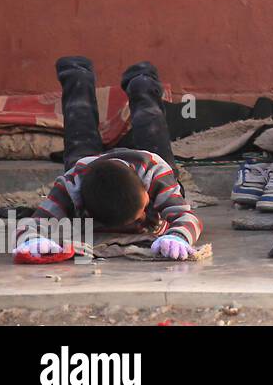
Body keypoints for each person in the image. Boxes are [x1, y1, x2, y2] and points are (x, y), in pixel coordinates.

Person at [13, 57, 201, 260]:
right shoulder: (71, 186)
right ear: (86, 208)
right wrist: (32, 241)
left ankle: (142, 82)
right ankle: (76, 76)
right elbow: (30, 225)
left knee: (151, 128)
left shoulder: (155, 173)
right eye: (136, 219)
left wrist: (178, 236)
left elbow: (186, 217)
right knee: (79, 136)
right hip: (87, 166)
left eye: (142, 211)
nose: (144, 219)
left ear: (145, 189)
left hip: (148, 162)